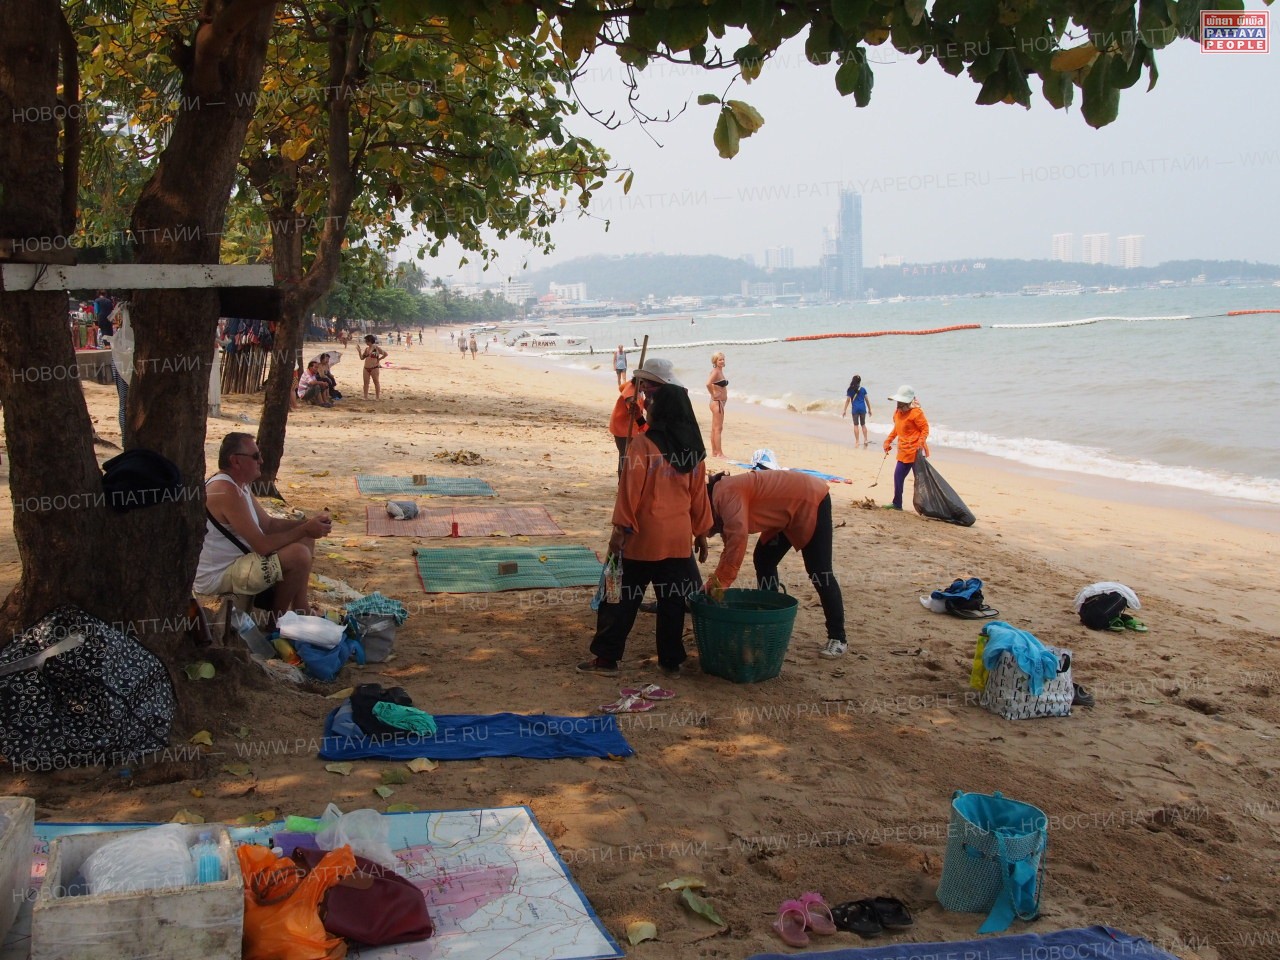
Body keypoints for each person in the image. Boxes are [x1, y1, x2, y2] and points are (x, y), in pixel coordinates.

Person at [579, 358, 712, 677]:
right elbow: (699, 497)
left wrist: (619, 532)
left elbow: (630, 493)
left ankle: (606, 659)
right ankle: (671, 661)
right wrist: (701, 533)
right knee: (672, 603)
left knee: (619, 599)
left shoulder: (642, 446)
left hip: (641, 538)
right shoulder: (694, 452)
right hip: (678, 540)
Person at [703, 469, 848, 658]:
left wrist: (718, 586)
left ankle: (838, 637)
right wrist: (713, 584)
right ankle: (770, 617)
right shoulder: (719, 494)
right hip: (786, 507)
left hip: (810, 498)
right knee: (764, 559)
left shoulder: (726, 497)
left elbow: (736, 543)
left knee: (820, 572)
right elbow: (728, 544)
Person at [193, 432, 332, 620]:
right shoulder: (226, 490)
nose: (261, 461)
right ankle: (277, 620)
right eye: (256, 456)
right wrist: (305, 528)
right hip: (218, 575)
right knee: (299, 554)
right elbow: (262, 545)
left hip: (237, 562)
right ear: (236, 461)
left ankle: (301, 607)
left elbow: (268, 524)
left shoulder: (239, 484)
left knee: (305, 538)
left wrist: (308, 525)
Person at [883, 385, 929, 511]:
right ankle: (897, 504)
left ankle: (927, 506)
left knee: (921, 481)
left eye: (901, 402)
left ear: (908, 402)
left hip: (916, 452)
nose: (898, 404)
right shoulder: (897, 413)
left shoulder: (916, 413)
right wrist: (888, 441)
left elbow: (925, 429)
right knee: (898, 476)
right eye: (898, 402)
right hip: (904, 451)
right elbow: (897, 429)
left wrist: (920, 443)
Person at [608, 377, 647, 476]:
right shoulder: (631, 396)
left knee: (626, 454)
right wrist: (646, 429)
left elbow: (621, 387)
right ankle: (622, 479)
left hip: (624, 423)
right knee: (625, 455)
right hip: (623, 427)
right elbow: (635, 413)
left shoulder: (632, 384)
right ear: (641, 383)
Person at [109, 302, 134, 444]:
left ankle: (126, 440)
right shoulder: (121, 338)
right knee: (125, 405)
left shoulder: (120, 337)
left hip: (123, 367)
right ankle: (126, 440)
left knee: (124, 405)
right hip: (124, 368)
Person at [706, 351, 729, 458]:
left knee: (715, 428)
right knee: (718, 429)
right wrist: (713, 394)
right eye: (720, 359)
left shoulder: (718, 371)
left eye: (723, 359)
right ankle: (719, 453)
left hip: (717, 403)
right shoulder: (716, 371)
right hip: (717, 403)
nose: (722, 361)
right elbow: (708, 384)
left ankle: (715, 452)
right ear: (715, 361)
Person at [842, 374, 872, 448]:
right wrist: (869, 409)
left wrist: (844, 410)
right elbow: (867, 400)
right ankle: (865, 440)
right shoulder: (863, 389)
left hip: (855, 409)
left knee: (856, 425)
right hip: (862, 409)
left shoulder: (850, 390)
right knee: (863, 425)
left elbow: (848, 400)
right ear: (859, 381)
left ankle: (857, 441)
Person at [359, 334, 388, 399]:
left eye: (366, 341)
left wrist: (379, 359)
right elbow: (362, 358)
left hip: (374, 367)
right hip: (366, 368)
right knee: (366, 383)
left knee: (376, 382)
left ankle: (377, 397)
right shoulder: (367, 349)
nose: (366, 342)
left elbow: (385, 354)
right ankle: (365, 397)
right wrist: (359, 351)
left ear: (370, 341)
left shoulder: (376, 348)